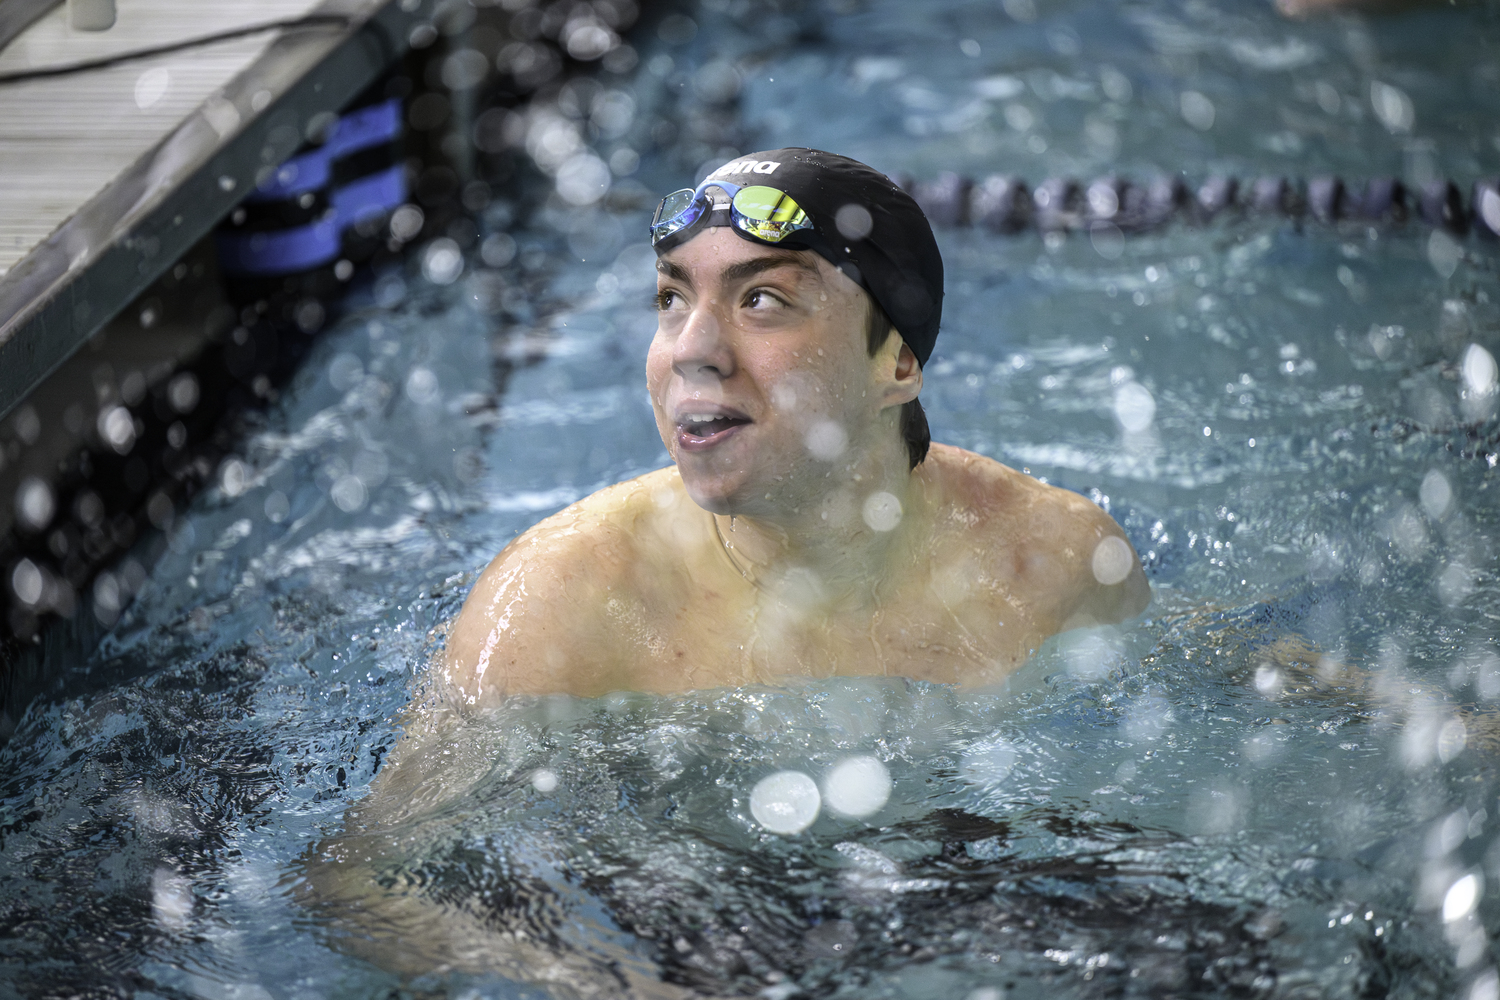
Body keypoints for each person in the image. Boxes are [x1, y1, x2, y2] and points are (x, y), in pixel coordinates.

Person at [439, 147, 1150, 702]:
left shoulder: (1054, 566)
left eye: (763, 299)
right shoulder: (558, 611)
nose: (691, 350)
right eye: (671, 298)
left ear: (897, 363)